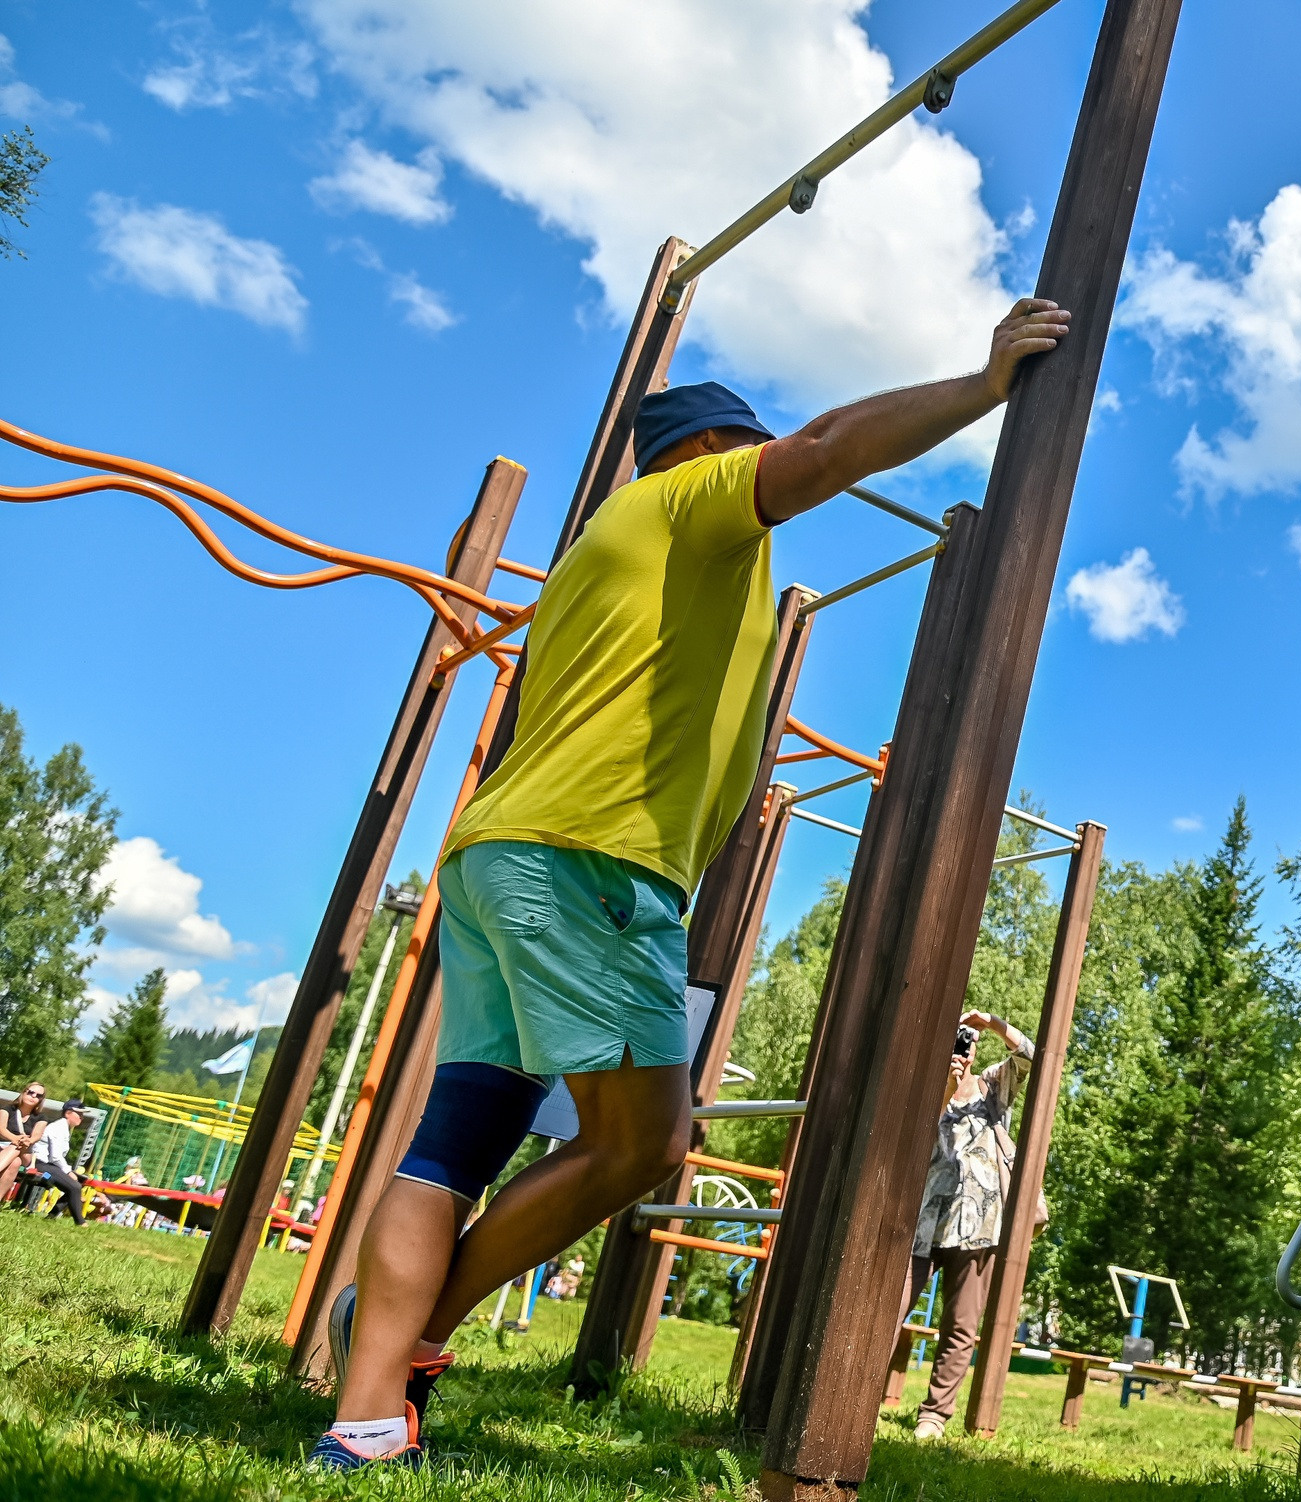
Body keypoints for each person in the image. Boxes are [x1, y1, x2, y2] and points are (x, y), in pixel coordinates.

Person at [309, 297, 1073, 1472]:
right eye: (745, 451)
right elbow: (821, 450)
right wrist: (980, 386)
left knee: (456, 1136)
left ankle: (367, 1413)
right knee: (645, 1140)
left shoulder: (601, 554)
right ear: (710, 452)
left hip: (500, 856)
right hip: (592, 863)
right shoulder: (686, 502)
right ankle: (416, 1331)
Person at [898, 1010, 1036, 1440]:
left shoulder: (992, 1086)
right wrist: (941, 1086)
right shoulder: (918, 1087)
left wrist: (991, 1022)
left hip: (976, 1224)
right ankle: (860, 1393)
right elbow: (909, 1139)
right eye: (957, 1040)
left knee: (960, 1327)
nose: (964, 1048)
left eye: (967, 1040)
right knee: (888, 1309)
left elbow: (1032, 1056)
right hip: (917, 1223)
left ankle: (934, 1416)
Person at [24, 1101, 89, 1224]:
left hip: (50, 1166)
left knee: (80, 1181)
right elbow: (55, 1156)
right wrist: (69, 1172)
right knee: (75, 1186)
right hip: (41, 1167)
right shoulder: (58, 1128)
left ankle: (52, 1216)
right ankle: (80, 1222)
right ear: (68, 1113)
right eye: (79, 1114)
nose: (81, 1117)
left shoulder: (64, 1127)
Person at [0, 1081, 43, 1204]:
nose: (34, 1096)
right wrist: (15, 1138)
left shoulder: (41, 1117)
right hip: (4, 1146)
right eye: (31, 1092)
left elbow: (37, 1135)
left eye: (39, 1095)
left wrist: (27, 1140)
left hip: (25, 1152)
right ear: (23, 1092)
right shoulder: (7, 1109)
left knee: (17, 1148)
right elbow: (1, 1129)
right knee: (15, 1162)